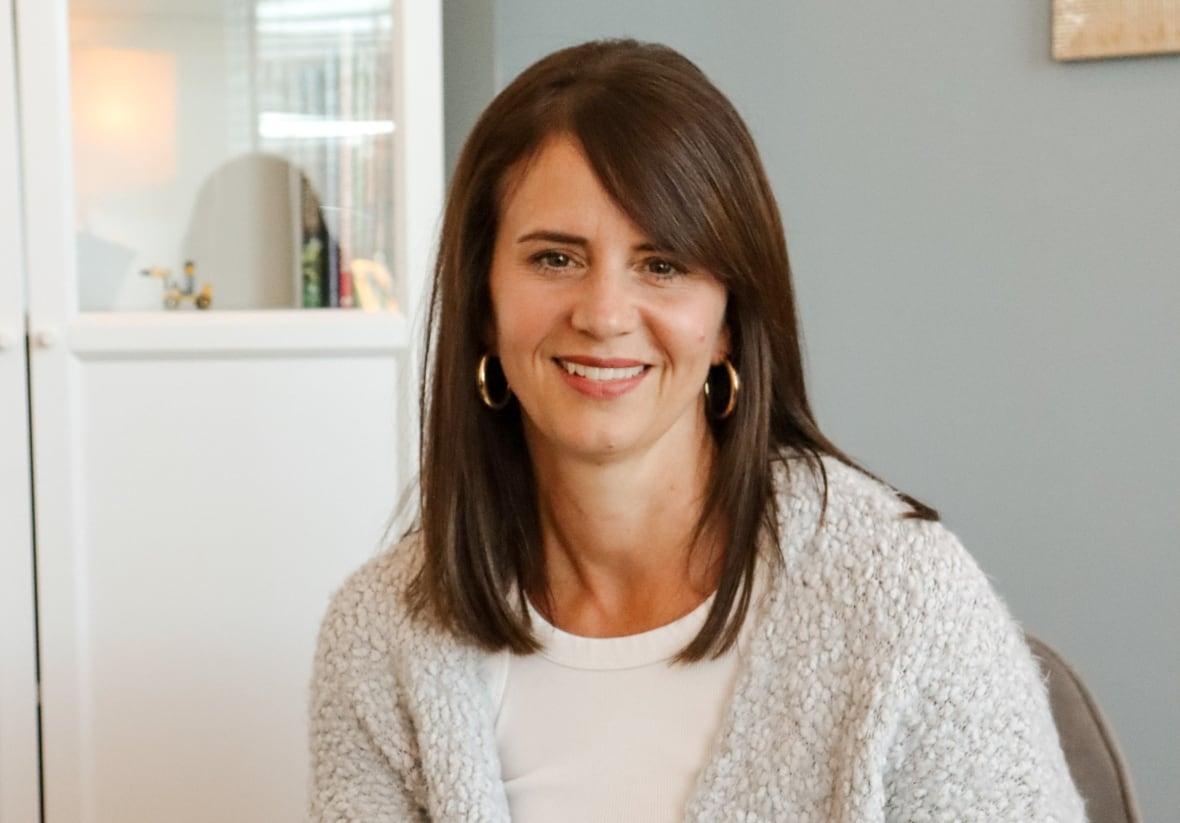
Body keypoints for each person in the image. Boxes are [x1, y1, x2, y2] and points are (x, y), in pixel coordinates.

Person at [309, 39, 1084, 822]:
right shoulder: (379, 641)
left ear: (727, 322)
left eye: (663, 265)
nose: (604, 314)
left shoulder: (906, 603)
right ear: (484, 306)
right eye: (554, 258)